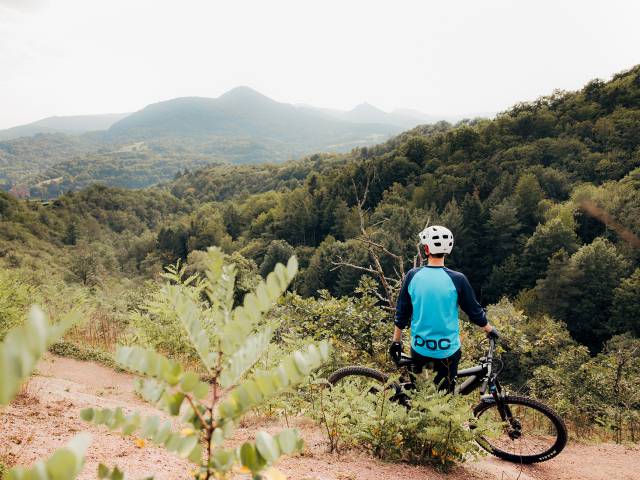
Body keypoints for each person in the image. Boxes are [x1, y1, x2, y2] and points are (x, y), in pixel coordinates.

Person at [390, 225, 499, 392]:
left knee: (420, 395)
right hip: (447, 351)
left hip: (420, 348)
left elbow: (402, 313)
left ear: (426, 249)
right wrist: (490, 329)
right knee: (445, 398)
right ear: (448, 250)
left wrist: (396, 342)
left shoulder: (413, 275)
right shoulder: (458, 279)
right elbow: (475, 312)